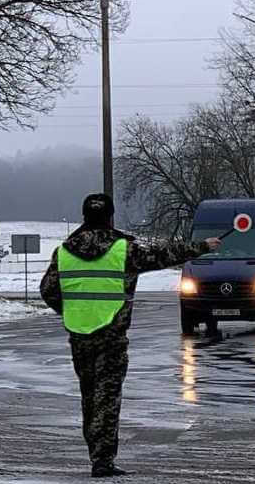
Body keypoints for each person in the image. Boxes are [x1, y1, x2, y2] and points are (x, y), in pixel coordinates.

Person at [40, 194, 220, 478]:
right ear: (110, 218)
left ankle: (95, 452)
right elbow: (163, 255)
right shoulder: (123, 250)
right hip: (111, 335)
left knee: (89, 396)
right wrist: (201, 247)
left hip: (79, 335)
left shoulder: (63, 251)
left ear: (85, 216)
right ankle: (103, 460)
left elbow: (48, 291)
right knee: (108, 398)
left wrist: (74, 309)